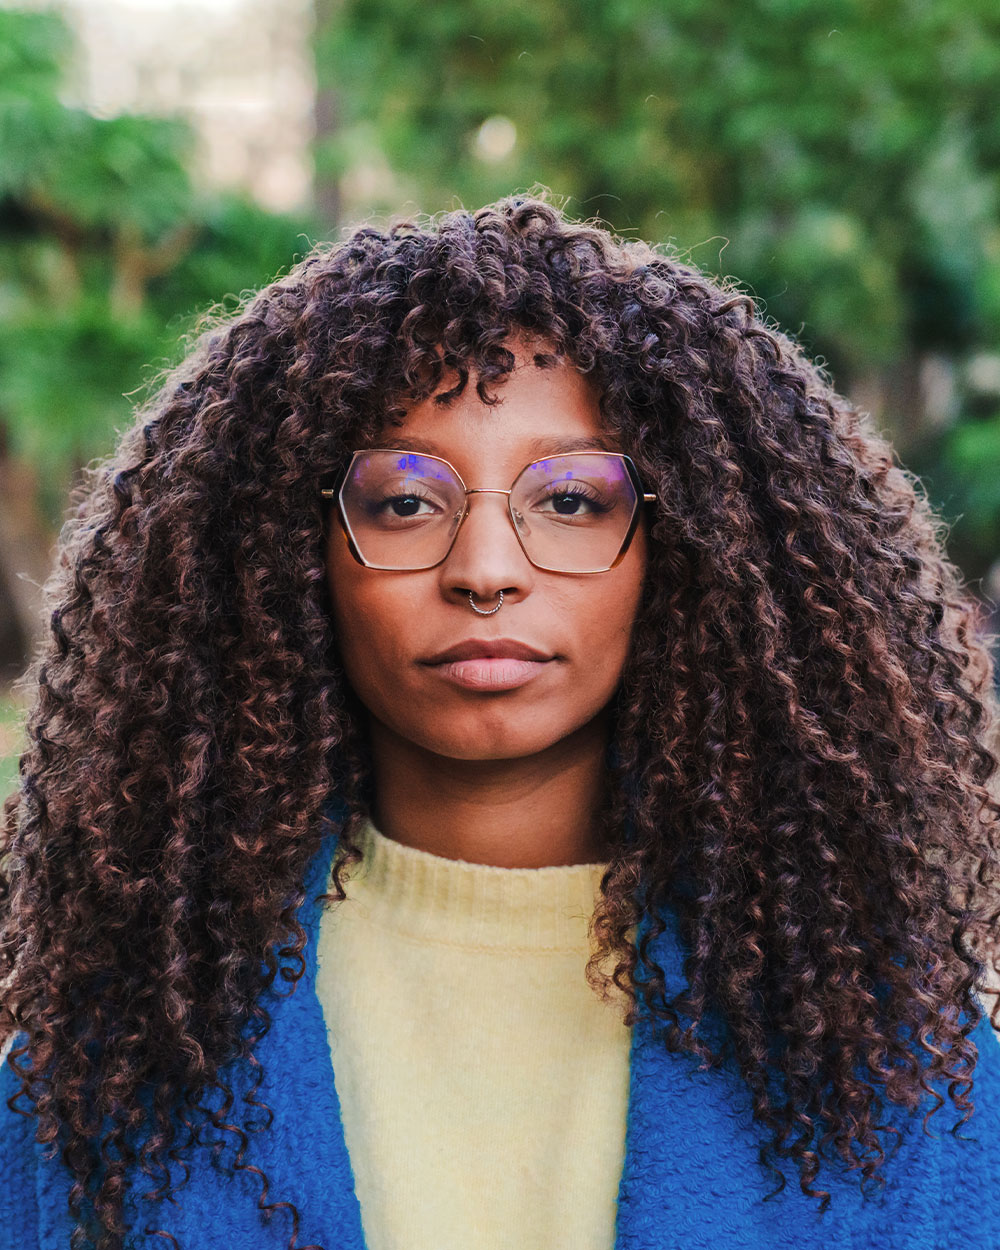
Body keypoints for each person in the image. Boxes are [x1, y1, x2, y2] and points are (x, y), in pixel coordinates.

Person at [1, 195, 1000, 1250]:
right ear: (289, 560)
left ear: (693, 551)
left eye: (569, 501)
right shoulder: (113, 1050)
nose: (484, 569)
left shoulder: (893, 1055)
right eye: (404, 502)